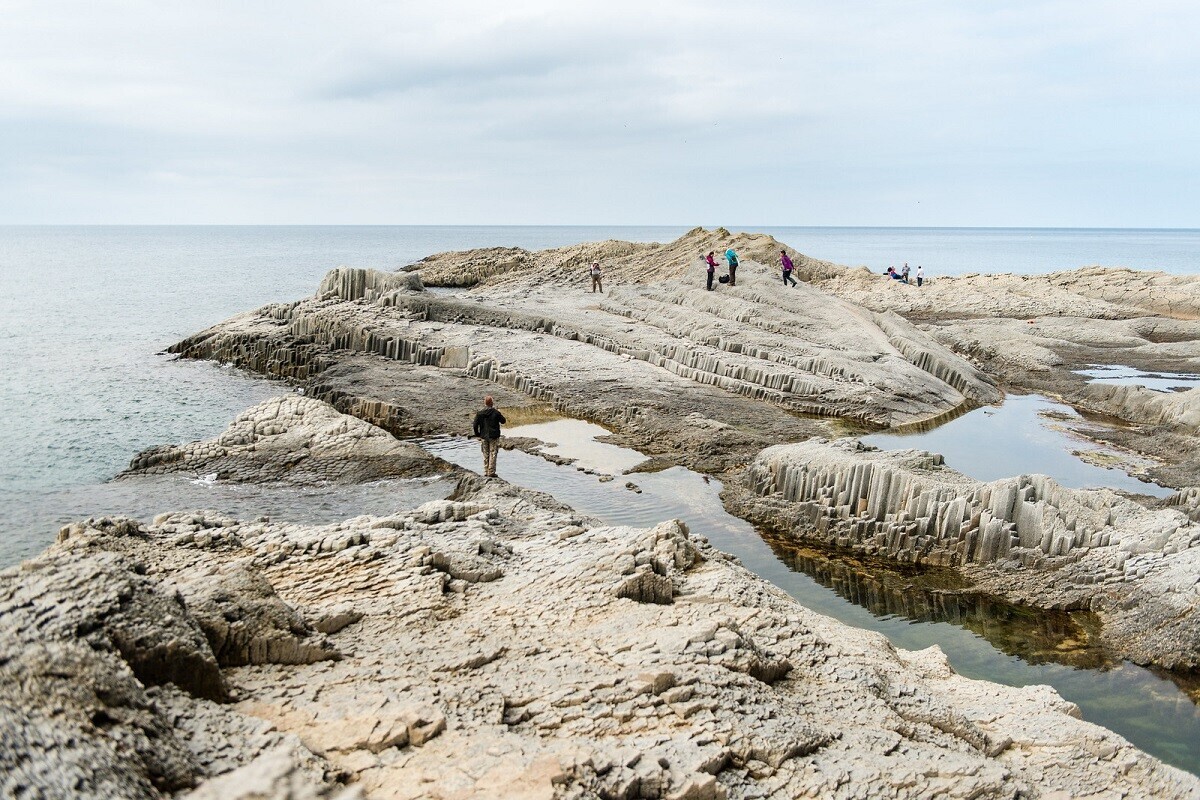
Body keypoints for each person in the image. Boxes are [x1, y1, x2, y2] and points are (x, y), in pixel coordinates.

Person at [472, 396, 506, 478]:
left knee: (485, 453)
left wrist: (477, 434)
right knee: (493, 453)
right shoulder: (496, 412)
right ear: (492, 403)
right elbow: (503, 421)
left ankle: (486, 471)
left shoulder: (479, 413)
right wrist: (499, 413)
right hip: (493, 436)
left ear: (485, 403)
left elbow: (475, 425)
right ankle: (491, 472)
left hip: (484, 436)